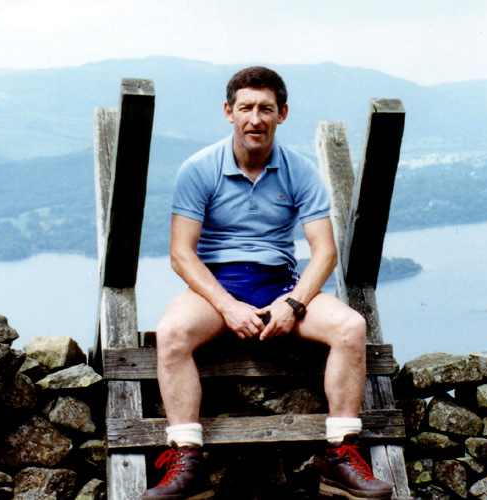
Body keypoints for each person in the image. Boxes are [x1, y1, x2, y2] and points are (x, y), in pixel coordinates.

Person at [143, 66, 393, 500]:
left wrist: (293, 304)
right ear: (228, 112)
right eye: (246, 108)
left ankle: (340, 458)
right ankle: (187, 462)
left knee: (351, 327)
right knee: (173, 333)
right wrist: (227, 307)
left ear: (282, 114)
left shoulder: (300, 171)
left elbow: (325, 252)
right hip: (218, 286)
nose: (255, 119)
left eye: (265, 109)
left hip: (281, 284)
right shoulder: (199, 169)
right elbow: (182, 254)